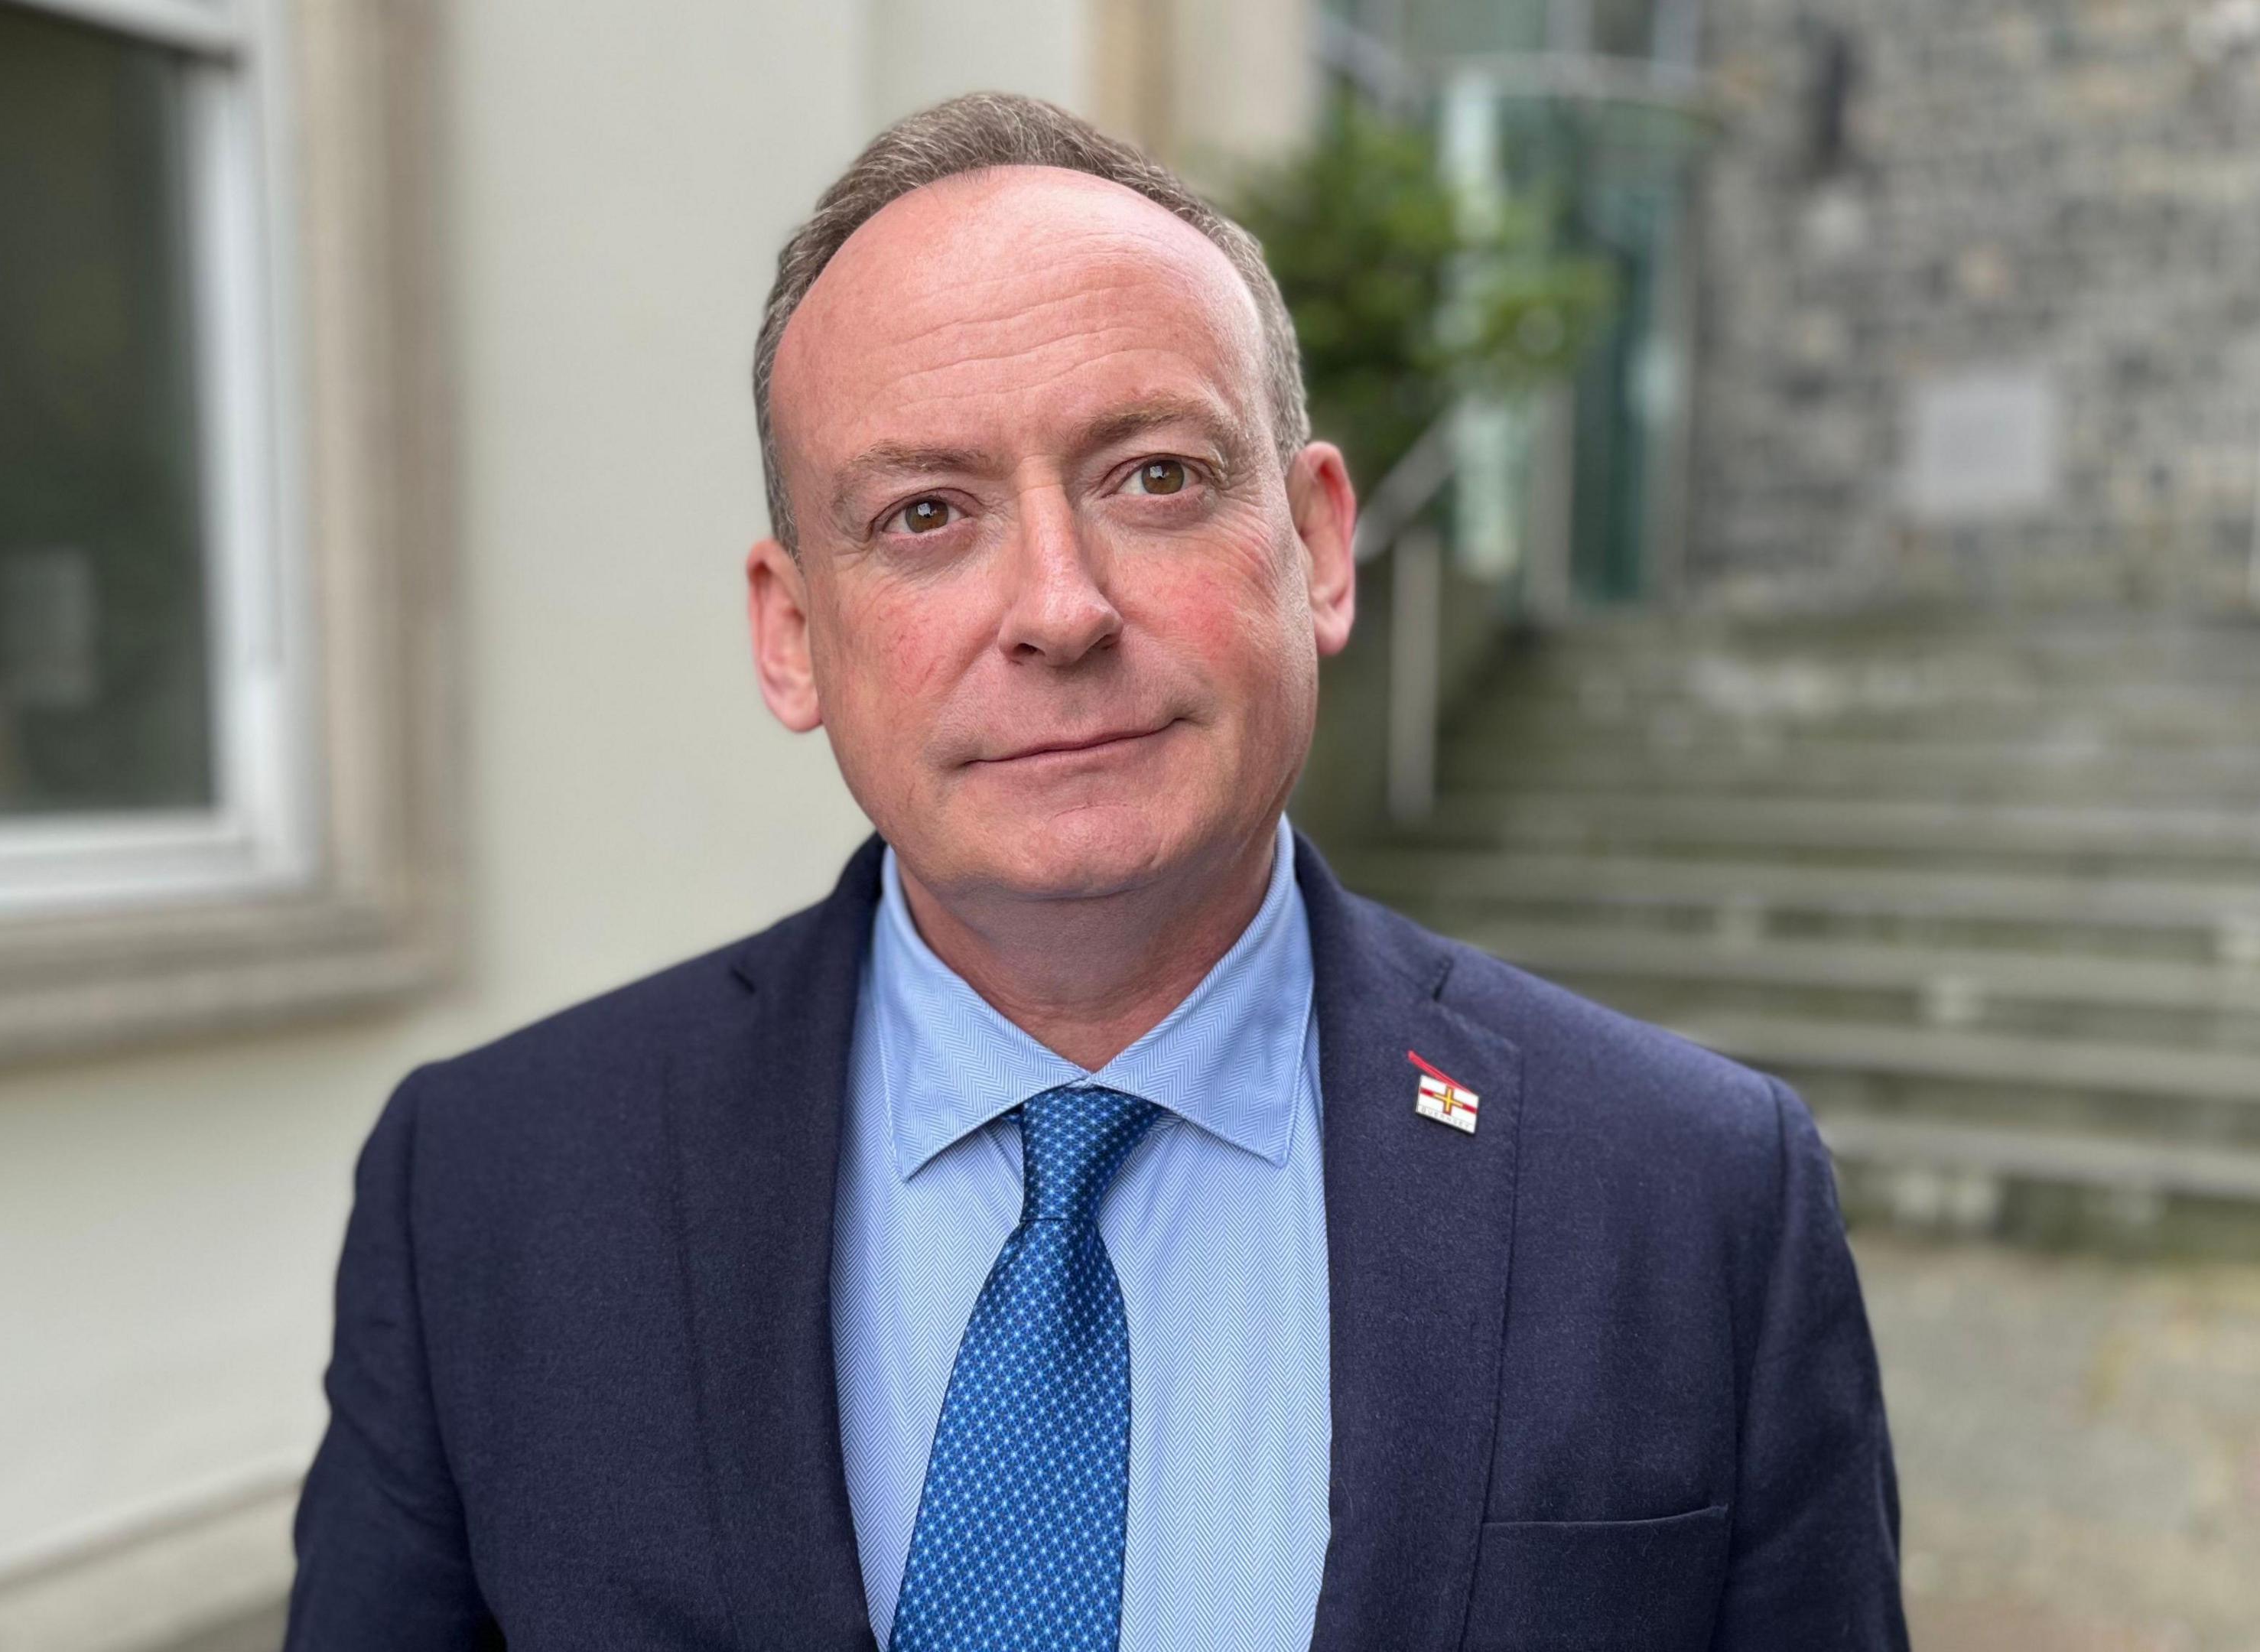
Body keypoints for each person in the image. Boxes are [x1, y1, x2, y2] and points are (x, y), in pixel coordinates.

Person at [287, 91, 1905, 1652]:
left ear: (1320, 543)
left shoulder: (1695, 1202)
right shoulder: (490, 1194)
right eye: (926, 512)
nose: (1059, 608)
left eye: (1155, 478)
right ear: (793, 637)